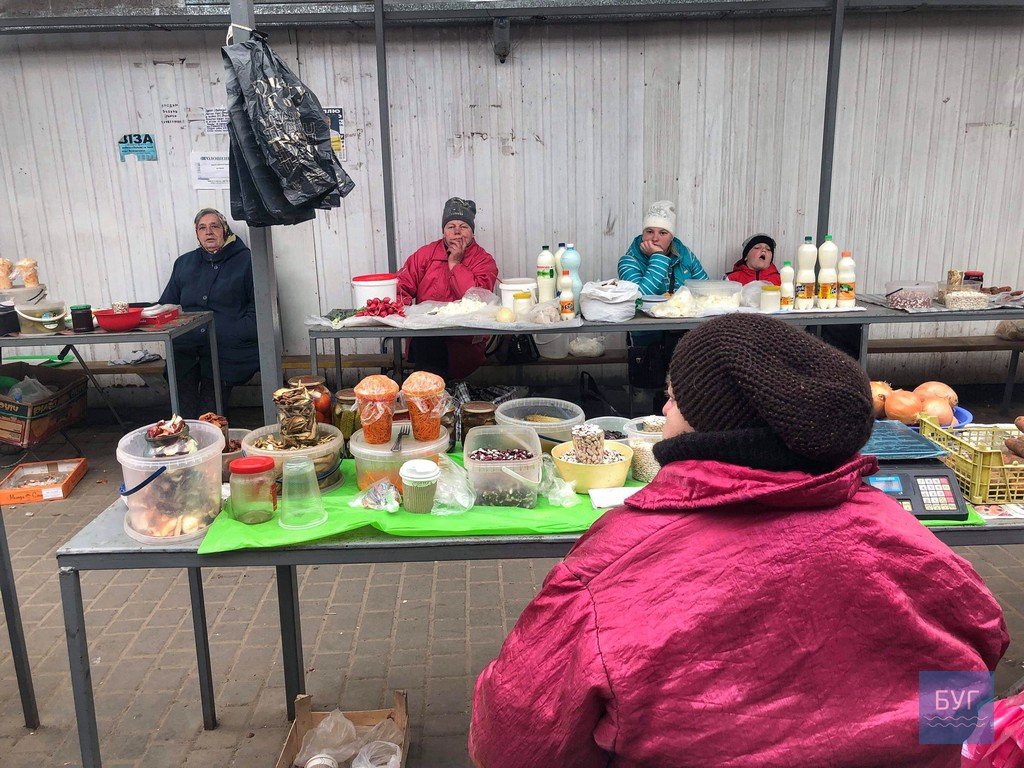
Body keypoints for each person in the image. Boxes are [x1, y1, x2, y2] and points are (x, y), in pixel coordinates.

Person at [470, 313, 1007, 768]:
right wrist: (910, 744)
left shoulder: (617, 563)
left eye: (672, 398)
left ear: (711, 424)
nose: (663, 411)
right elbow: (974, 665)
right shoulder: (909, 542)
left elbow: (514, 744)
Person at [159, 208, 258, 419]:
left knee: (208, 415)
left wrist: (232, 333)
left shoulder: (247, 261)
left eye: (214, 226)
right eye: (202, 228)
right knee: (182, 416)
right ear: (197, 234)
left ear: (225, 230)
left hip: (228, 349)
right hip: (186, 350)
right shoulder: (184, 263)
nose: (209, 232)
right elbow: (167, 306)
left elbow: (259, 311)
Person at [397, 197, 499, 380]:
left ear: (472, 232)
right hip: (427, 339)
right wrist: (398, 312)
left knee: (437, 362)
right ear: (443, 231)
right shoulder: (425, 255)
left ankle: (434, 391)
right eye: (451, 226)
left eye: (464, 226)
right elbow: (401, 286)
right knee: (428, 344)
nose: (457, 232)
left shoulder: (484, 260)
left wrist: (455, 264)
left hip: (464, 341)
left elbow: (477, 299)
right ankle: (429, 391)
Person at [617, 200, 707, 296]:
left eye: (663, 233)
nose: (655, 238)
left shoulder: (686, 255)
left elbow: (706, 291)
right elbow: (638, 297)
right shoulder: (628, 262)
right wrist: (658, 256)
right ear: (643, 234)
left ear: (671, 237)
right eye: (650, 232)